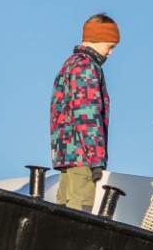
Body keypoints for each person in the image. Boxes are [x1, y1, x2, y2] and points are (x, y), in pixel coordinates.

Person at [48, 13, 119, 211]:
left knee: (64, 208)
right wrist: (96, 159)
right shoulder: (86, 67)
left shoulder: (71, 63)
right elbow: (87, 115)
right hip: (82, 156)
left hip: (69, 156)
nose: (110, 53)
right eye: (110, 46)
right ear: (98, 39)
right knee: (80, 209)